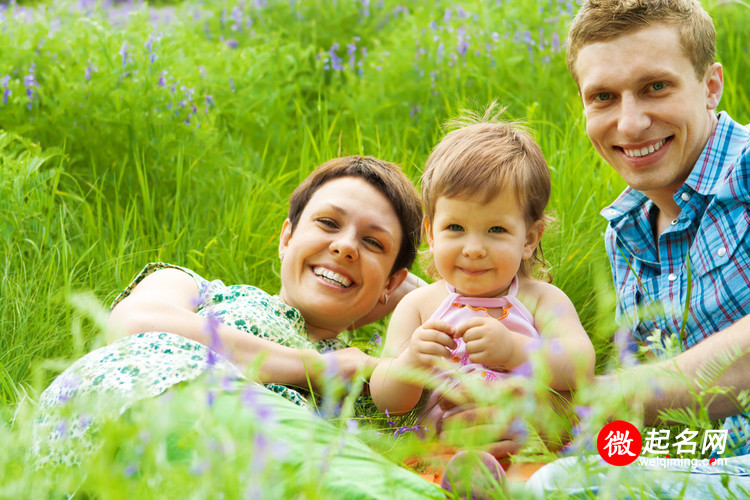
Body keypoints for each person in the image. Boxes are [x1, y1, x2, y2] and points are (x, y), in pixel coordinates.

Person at [33, 156, 443, 498]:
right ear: (286, 239)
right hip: (155, 408)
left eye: (373, 243)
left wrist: (402, 292)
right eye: (327, 224)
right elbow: (135, 323)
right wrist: (319, 368)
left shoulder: (378, 382)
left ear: (392, 281)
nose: (345, 246)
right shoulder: (199, 289)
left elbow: (461, 308)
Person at [518, 0, 750, 496]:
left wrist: (597, 402)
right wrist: (530, 414)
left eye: (655, 87)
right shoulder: (626, 232)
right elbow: (664, 427)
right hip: (707, 459)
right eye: (603, 96)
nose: (629, 124)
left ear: (711, 86)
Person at [370, 111, 595, 442]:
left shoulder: (540, 299)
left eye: (496, 229)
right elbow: (387, 401)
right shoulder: (419, 306)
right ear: (431, 232)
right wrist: (411, 361)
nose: (473, 248)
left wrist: (513, 350)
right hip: (438, 456)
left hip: (525, 449)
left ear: (530, 239)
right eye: (456, 228)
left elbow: (580, 366)